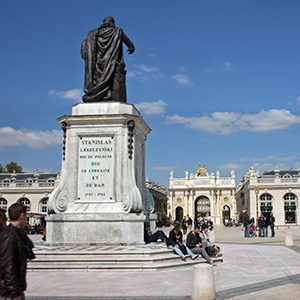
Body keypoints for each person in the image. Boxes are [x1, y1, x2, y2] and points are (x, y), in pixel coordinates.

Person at [81, 16, 135, 102]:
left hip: (97, 62)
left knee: (98, 78)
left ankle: (97, 94)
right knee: (110, 77)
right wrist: (131, 47)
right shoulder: (117, 31)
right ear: (112, 23)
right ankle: (107, 95)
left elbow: (85, 46)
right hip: (111, 61)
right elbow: (128, 43)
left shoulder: (94, 33)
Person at [0, 203, 28, 300]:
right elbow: (8, 266)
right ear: (21, 215)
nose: (26, 218)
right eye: (26, 215)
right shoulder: (9, 236)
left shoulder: (15, 233)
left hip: (13, 289)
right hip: (9, 292)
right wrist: (15, 292)